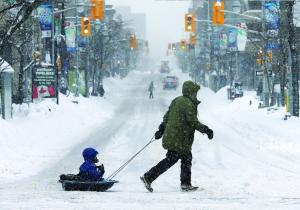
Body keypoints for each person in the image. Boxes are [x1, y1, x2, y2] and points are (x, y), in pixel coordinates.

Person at [140, 81, 214, 192]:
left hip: (175, 137)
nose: (195, 95)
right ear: (190, 92)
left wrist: (161, 129)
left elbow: (167, 116)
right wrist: (206, 130)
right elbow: (193, 121)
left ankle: (184, 184)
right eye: (194, 92)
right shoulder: (188, 104)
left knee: (184, 158)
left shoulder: (177, 100)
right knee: (176, 159)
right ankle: (149, 177)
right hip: (179, 139)